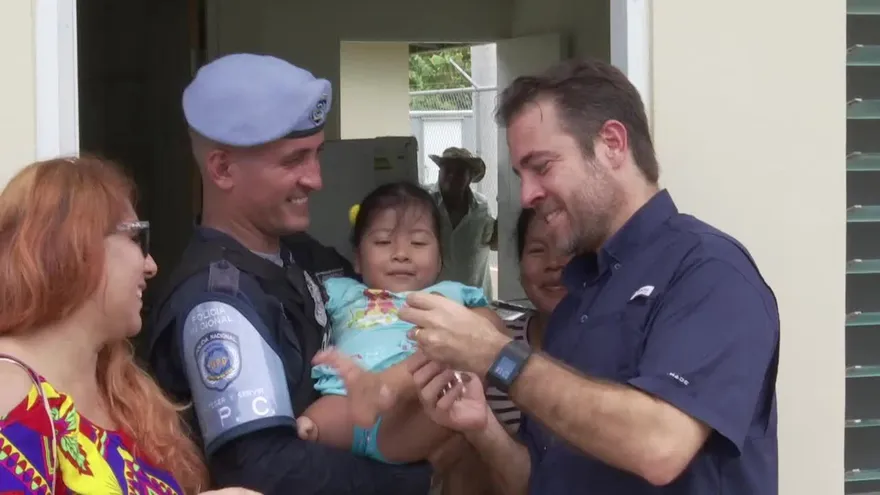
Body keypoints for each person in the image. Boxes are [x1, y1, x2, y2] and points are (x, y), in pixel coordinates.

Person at [401, 58, 780, 494]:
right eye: (521, 175)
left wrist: (496, 356)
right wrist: (481, 424)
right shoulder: (577, 299)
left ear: (612, 144)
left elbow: (659, 445)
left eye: (541, 166)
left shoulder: (709, 273)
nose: (527, 195)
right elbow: (539, 481)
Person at [138, 53, 432, 494]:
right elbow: (267, 470)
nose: (315, 179)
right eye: (293, 160)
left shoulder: (301, 253)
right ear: (222, 169)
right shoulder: (216, 302)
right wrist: (426, 480)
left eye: (317, 155)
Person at [0, 156, 256, 495]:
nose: (151, 265)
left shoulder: (123, 388)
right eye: (136, 240)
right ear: (78, 246)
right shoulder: (10, 391)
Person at [296, 181, 505, 465]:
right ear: (357, 259)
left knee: (460, 364)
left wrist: (479, 323)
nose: (402, 254)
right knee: (310, 423)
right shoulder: (339, 290)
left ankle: (388, 392)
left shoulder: (449, 295)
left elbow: (495, 332)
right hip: (347, 401)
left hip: (415, 411)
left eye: (418, 243)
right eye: (383, 242)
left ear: (440, 257)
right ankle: (314, 429)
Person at [485, 207, 572, 429]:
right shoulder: (492, 342)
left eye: (569, 249)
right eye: (537, 250)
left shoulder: (617, 351)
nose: (554, 262)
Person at [428, 147, 497, 298]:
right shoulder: (424, 202)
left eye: (460, 171)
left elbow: (494, 241)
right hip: (434, 301)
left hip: (475, 301)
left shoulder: (482, 207)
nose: (452, 176)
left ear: (471, 177)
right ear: (439, 172)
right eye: (447, 169)